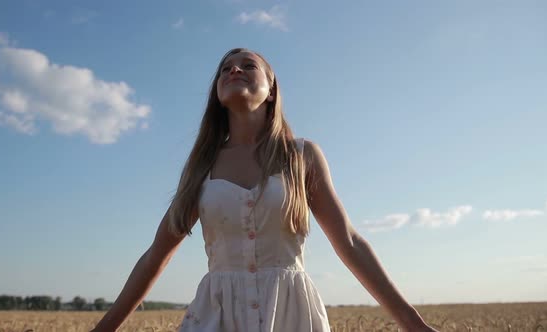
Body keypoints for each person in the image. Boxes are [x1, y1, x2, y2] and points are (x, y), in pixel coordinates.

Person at [91, 48, 437, 332]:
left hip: (292, 314)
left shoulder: (301, 155)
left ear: (272, 89)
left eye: (248, 65)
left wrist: (413, 324)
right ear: (217, 93)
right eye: (225, 68)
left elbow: (348, 241)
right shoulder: (201, 167)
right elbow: (156, 256)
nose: (234, 69)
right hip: (217, 317)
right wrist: (103, 329)